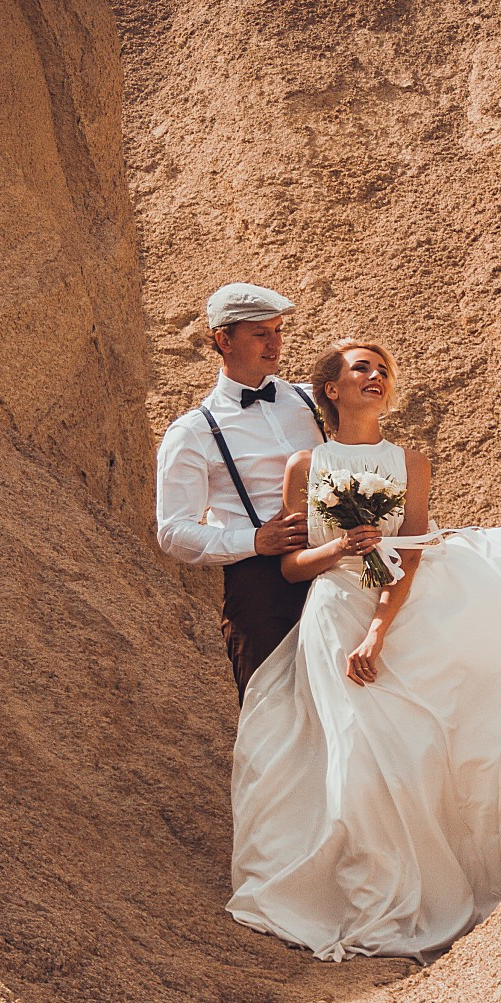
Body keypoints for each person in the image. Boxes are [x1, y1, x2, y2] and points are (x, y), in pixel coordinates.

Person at [226, 340, 501, 962]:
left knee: (412, 750)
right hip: (331, 612)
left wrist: (378, 631)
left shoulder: (411, 463)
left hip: (398, 614)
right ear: (331, 389)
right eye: (361, 368)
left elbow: (411, 552)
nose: (377, 376)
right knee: (354, 755)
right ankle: (363, 894)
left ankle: (423, 892)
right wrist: (338, 548)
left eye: (384, 370)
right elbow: (290, 568)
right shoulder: (305, 466)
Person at [154, 283, 330, 699]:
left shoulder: (314, 401)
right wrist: (254, 541)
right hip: (261, 589)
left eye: (278, 330)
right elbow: (172, 531)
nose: (275, 344)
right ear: (223, 340)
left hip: (334, 568)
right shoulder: (193, 431)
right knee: (272, 714)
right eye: (260, 334)